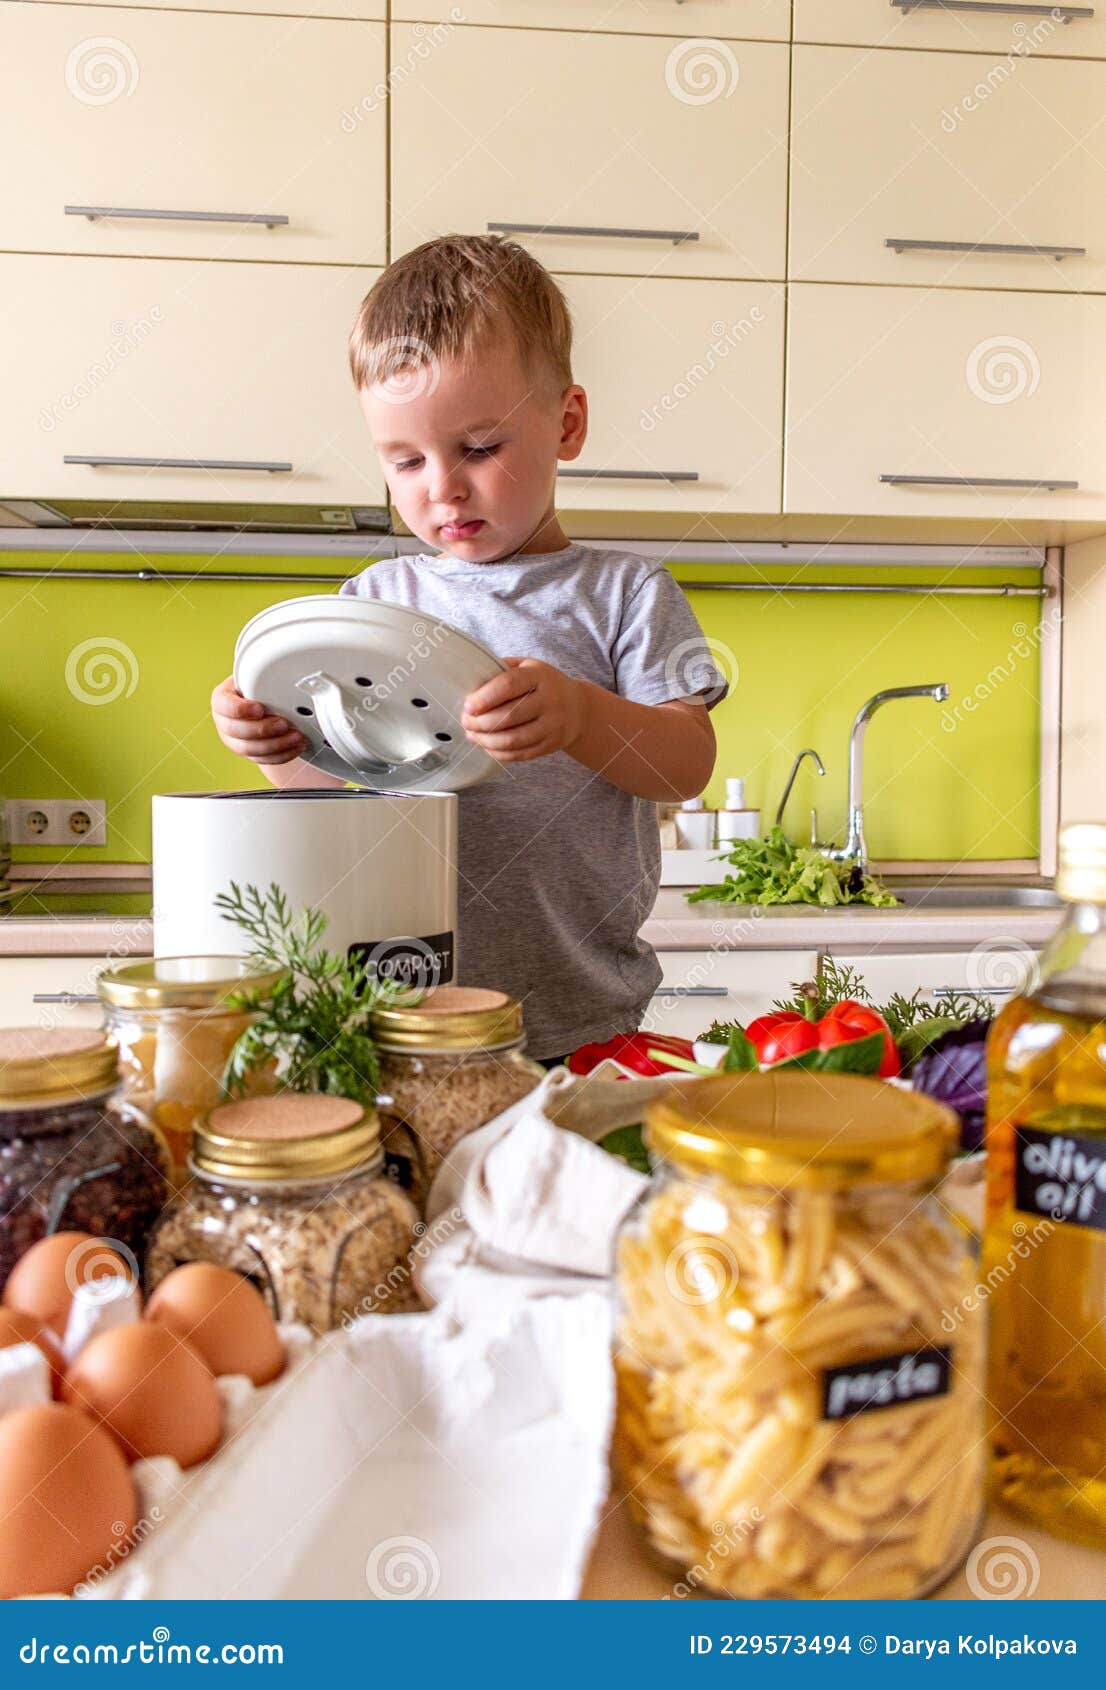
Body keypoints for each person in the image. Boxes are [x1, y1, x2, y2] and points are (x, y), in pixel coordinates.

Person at [212, 234, 727, 1061]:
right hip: (399, 1017)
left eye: (479, 448)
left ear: (567, 423)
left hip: (583, 1019)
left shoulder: (626, 594)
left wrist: (581, 716)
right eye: (405, 460)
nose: (442, 486)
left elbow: (687, 765)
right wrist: (277, 749)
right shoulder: (372, 606)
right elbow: (352, 797)